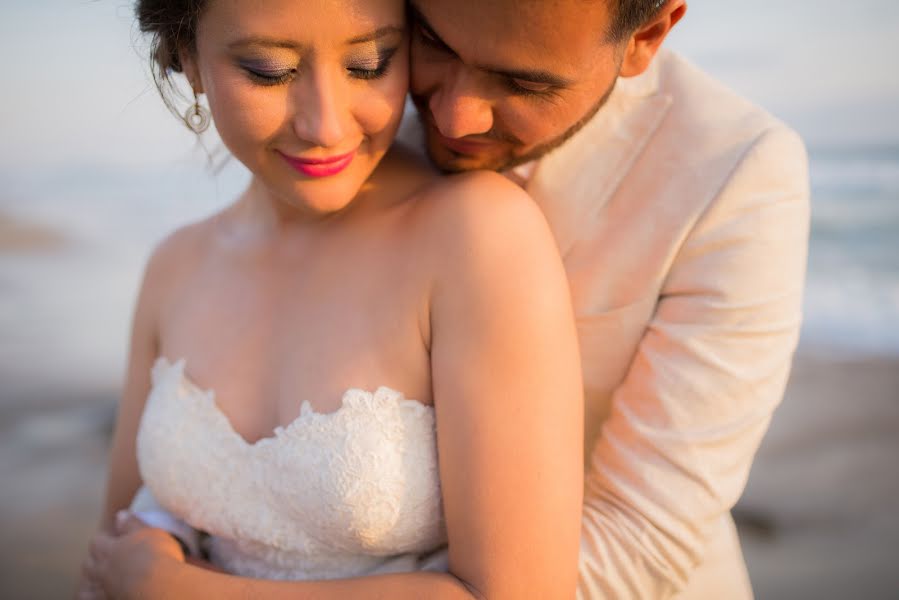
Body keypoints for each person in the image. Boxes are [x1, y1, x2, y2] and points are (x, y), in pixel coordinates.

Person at [77, 0, 584, 597]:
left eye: (370, 63)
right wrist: (154, 549)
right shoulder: (174, 265)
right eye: (269, 71)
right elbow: (115, 552)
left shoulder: (477, 236)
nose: (326, 126)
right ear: (187, 57)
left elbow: (519, 592)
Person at [399, 0, 810, 598]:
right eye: (433, 41)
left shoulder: (737, 173)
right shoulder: (350, 118)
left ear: (646, 36)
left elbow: (636, 539)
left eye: (522, 83)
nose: (455, 116)